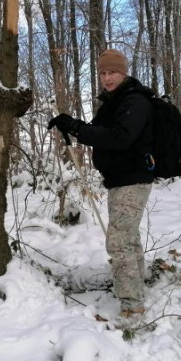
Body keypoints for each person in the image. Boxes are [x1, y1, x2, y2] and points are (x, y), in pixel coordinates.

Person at [48, 49, 155, 324]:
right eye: (103, 73)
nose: (107, 78)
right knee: (127, 238)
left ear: (124, 73)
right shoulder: (113, 103)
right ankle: (136, 288)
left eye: (113, 72)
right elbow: (96, 133)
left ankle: (133, 308)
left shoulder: (135, 101)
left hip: (133, 179)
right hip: (119, 180)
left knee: (118, 240)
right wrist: (69, 124)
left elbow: (120, 138)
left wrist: (77, 128)